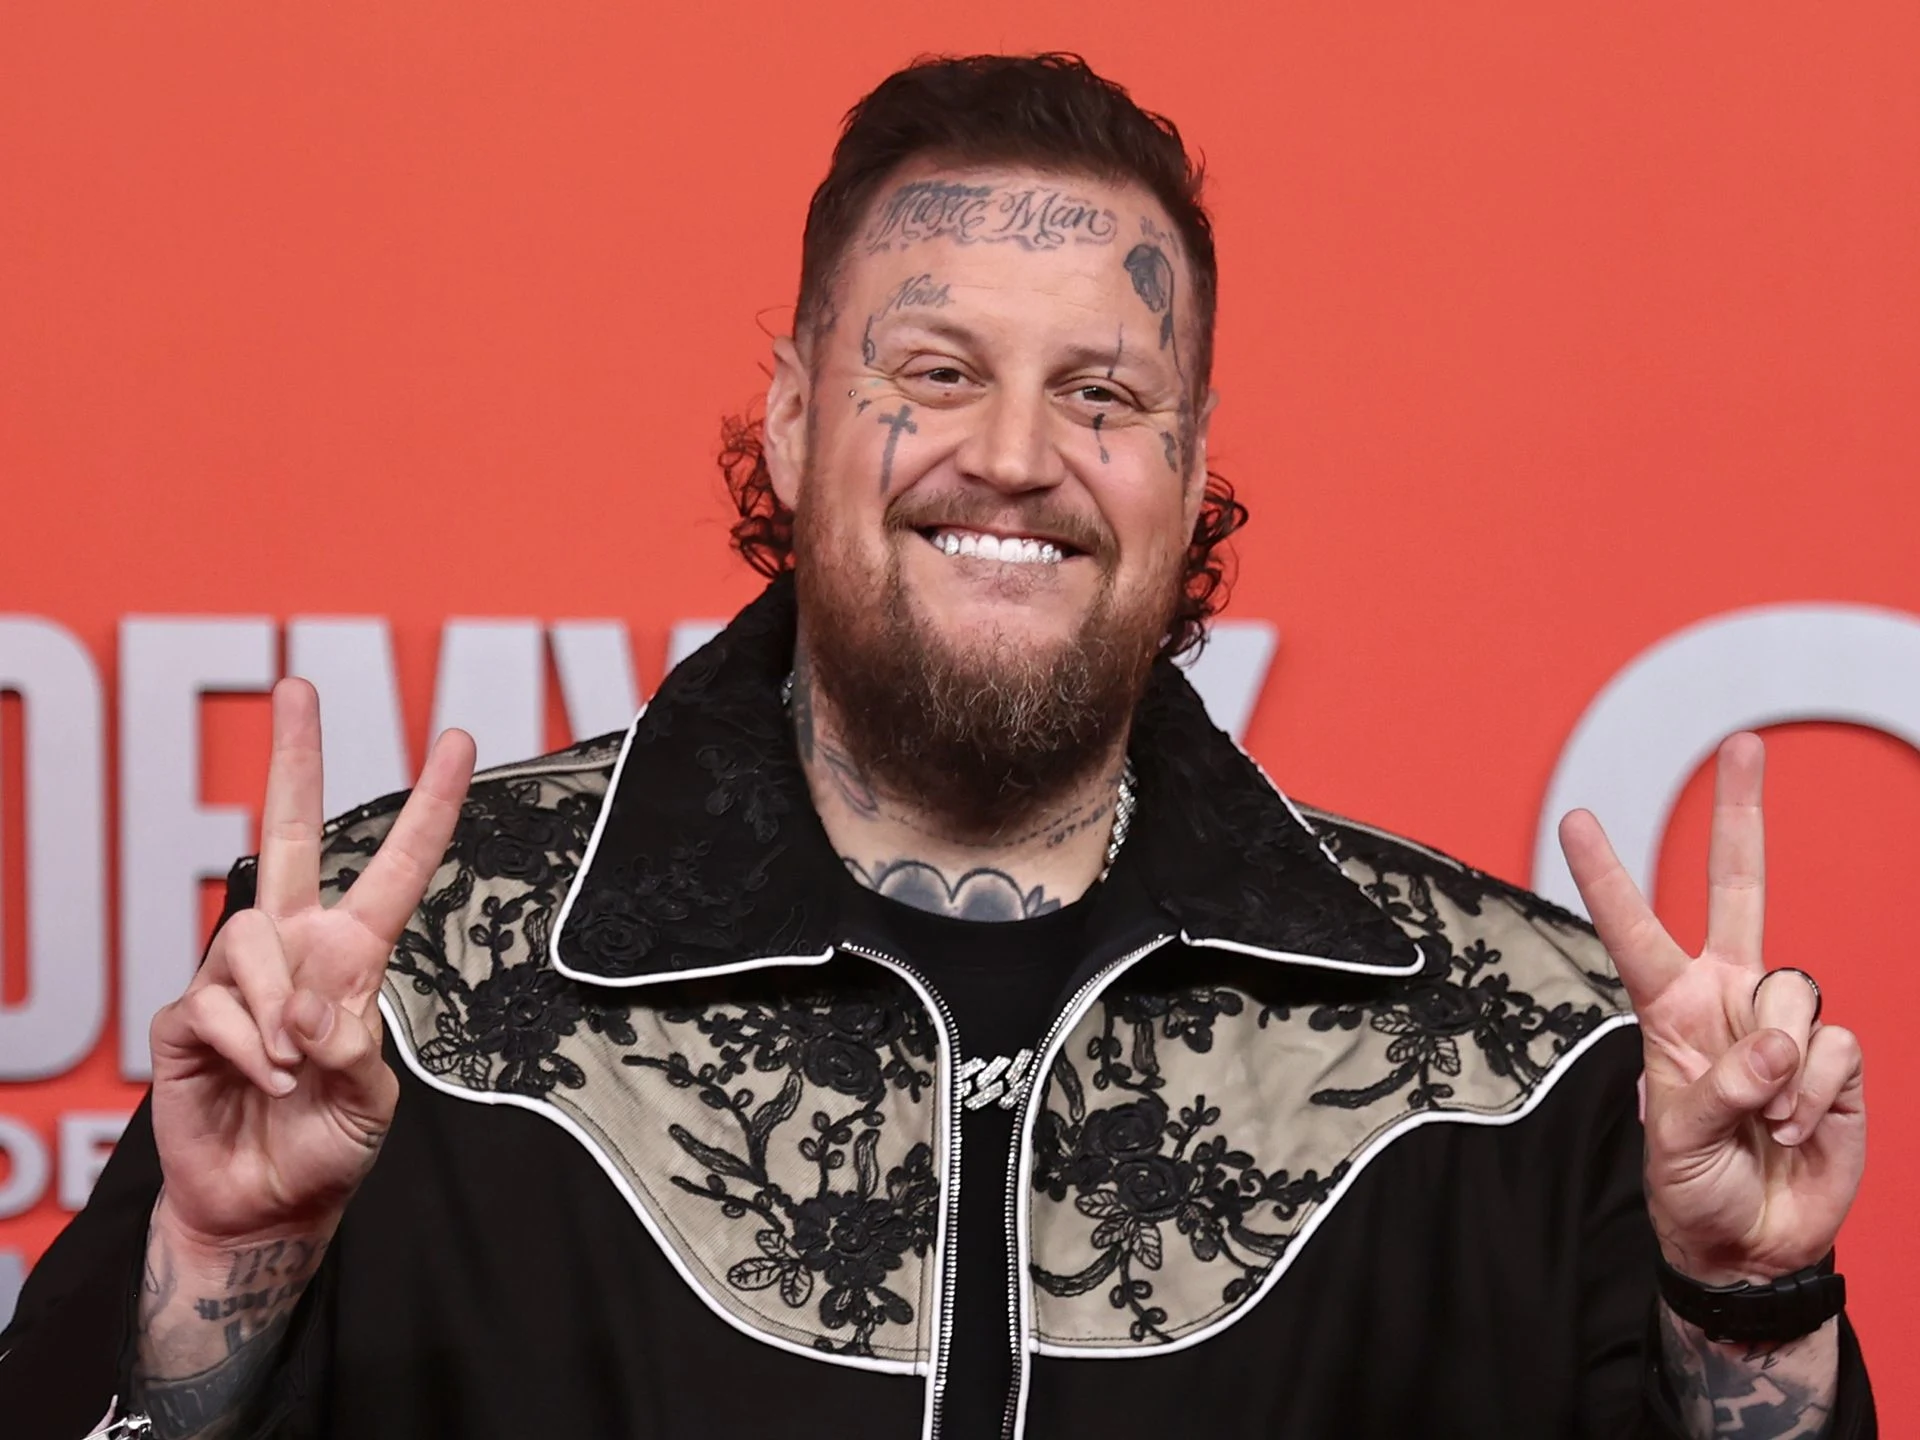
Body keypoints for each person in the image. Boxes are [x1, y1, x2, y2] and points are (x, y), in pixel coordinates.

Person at [1, 52, 1873, 1440]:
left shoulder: (1518, 1064)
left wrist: (1754, 1297)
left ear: (1190, 467)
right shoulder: (397, 992)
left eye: (1102, 393)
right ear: (799, 415)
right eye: (937, 373)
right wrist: (209, 1269)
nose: (1013, 456)